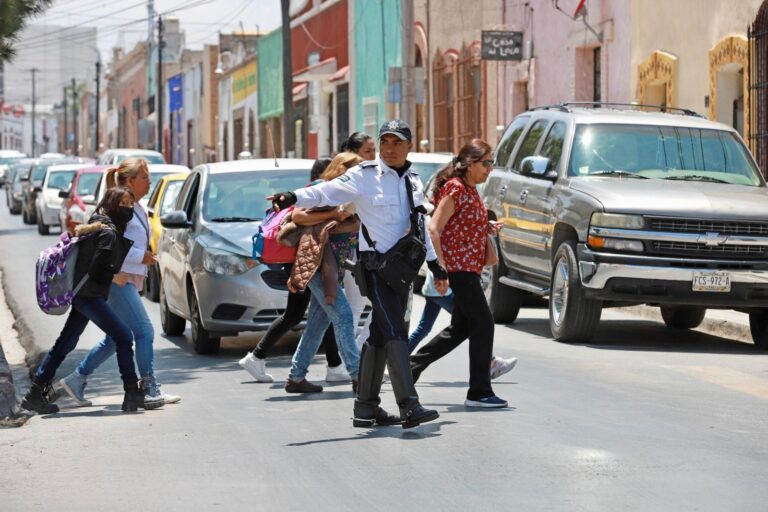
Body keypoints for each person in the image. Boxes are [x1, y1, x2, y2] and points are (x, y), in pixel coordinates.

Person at [271, 119, 446, 429]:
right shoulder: (365, 177)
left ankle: (366, 408)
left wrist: (435, 265)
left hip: (402, 272)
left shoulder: (415, 181)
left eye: (397, 142)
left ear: (409, 145)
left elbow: (419, 229)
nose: (390, 148)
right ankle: (410, 405)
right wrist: (292, 197)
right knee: (395, 332)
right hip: (376, 269)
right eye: (385, 142)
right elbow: (326, 192)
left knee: (379, 337)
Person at [58, 158, 178, 409]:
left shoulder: (136, 206)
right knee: (144, 331)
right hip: (117, 279)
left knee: (116, 339)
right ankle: (149, 387)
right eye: (144, 177)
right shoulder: (120, 207)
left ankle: (77, 378)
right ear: (128, 181)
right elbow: (109, 244)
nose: (149, 181)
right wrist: (139, 257)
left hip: (128, 277)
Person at [21, 187, 147, 414]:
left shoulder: (99, 223)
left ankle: (34, 395)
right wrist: (114, 276)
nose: (128, 208)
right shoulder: (108, 233)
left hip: (82, 294)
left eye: (131, 204)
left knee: (65, 343)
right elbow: (97, 268)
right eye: (124, 204)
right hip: (89, 296)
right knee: (124, 336)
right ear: (111, 204)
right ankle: (131, 392)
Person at [408, 139, 508, 408]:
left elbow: (460, 224)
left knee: (460, 328)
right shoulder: (456, 187)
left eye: (491, 163)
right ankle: (479, 391)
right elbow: (434, 228)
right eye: (486, 163)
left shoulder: (470, 189)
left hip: (469, 268)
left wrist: (484, 226)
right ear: (470, 163)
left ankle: (409, 367)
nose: (490, 169)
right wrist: (439, 268)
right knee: (484, 323)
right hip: (458, 268)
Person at [238, 157, 348, 383]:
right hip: (304, 260)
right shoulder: (319, 191)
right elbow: (299, 217)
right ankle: (258, 357)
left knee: (304, 313)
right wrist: (334, 215)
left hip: (302, 259)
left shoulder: (315, 191)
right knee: (314, 312)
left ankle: (333, 365)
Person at [283, 152, 364, 393]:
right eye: (353, 172)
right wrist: (333, 214)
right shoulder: (324, 188)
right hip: (318, 264)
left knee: (318, 324)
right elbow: (296, 215)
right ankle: (358, 376)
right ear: (341, 170)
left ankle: (296, 378)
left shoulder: (353, 194)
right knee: (344, 317)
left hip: (333, 267)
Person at [408, 270, 518, 378]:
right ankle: (490, 362)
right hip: (444, 289)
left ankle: (398, 360)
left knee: (425, 328)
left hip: (433, 288)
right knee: (470, 324)